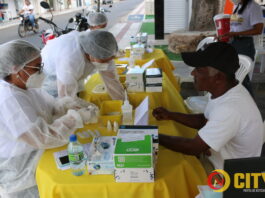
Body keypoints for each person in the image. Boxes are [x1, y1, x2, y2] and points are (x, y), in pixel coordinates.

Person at [0, 40, 99, 198]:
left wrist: (70, 105)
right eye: (36, 67)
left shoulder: (27, 88)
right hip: (21, 175)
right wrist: (76, 117)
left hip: (39, 160)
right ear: (15, 69)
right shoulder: (9, 99)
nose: (41, 71)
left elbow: (51, 108)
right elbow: (43, 137)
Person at [152, 42, 263, 171]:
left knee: (166, 169)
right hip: (216, 156)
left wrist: (154, 137)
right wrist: (170, 115)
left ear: (218, 78)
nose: (193, 74)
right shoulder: (225, 91)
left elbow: (193, 148)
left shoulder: (230, 108)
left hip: (226, 173)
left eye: (199, 70)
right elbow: (205, 120)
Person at [41, 30, 125, 100]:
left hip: (70, 70)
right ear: (91, 54)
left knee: (78, 93)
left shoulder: (104, 51)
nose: (106, 64)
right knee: (59, 105)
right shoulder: (71, 59)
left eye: (109, 60)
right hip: (51, 75)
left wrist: (122, 102)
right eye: (103, 61)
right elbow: (66, 98)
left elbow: (111, 80)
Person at [219, 0, 264, 96]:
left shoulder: (253, 7)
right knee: (231, 74)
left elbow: (258, 29)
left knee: (242, 76)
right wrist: (225, 35)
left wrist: (237, 34)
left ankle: (249, 102)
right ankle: (235, 100)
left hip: (244, 44)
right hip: (233, 42)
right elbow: (236, 26)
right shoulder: (237, 6)